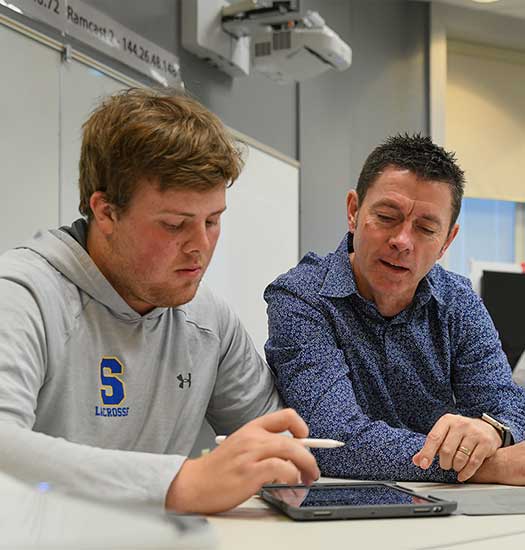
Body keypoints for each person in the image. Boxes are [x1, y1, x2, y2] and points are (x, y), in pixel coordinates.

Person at [0, 88, 319, 514]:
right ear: (105, 212)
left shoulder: (208, 319)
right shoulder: (22, 295)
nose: (200, 247)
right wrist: (177, 484)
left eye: (213, 220)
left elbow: (274, 444)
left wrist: (279, 461)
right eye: (174, 225)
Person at [264, 134, 525, 485]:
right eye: (387, 217)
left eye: (426, 228)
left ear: (447, 240)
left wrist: (491, 432)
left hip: (451, 505)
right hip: (339, 506)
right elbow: (333, 439)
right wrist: (487, 466)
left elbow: (508, 407)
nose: (402, 241)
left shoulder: (459, 303)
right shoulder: (301, 298)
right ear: (353, 211)